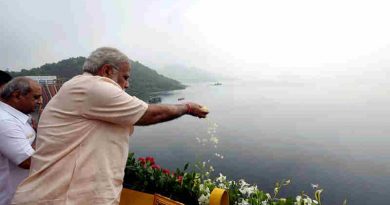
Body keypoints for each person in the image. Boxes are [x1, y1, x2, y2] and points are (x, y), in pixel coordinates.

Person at [12, 47, 209, 205]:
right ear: (106, 70)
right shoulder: (91, 87)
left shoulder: (79, 89)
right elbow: (150, 113)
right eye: (125, 77)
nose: (127, 84)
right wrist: (188, 107)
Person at [0, 77, 42, 205]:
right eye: (35, 97)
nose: (40, 102)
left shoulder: (18, 117)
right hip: (10, 198)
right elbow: (28, 161)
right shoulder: (5, 121)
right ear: (17, 95)